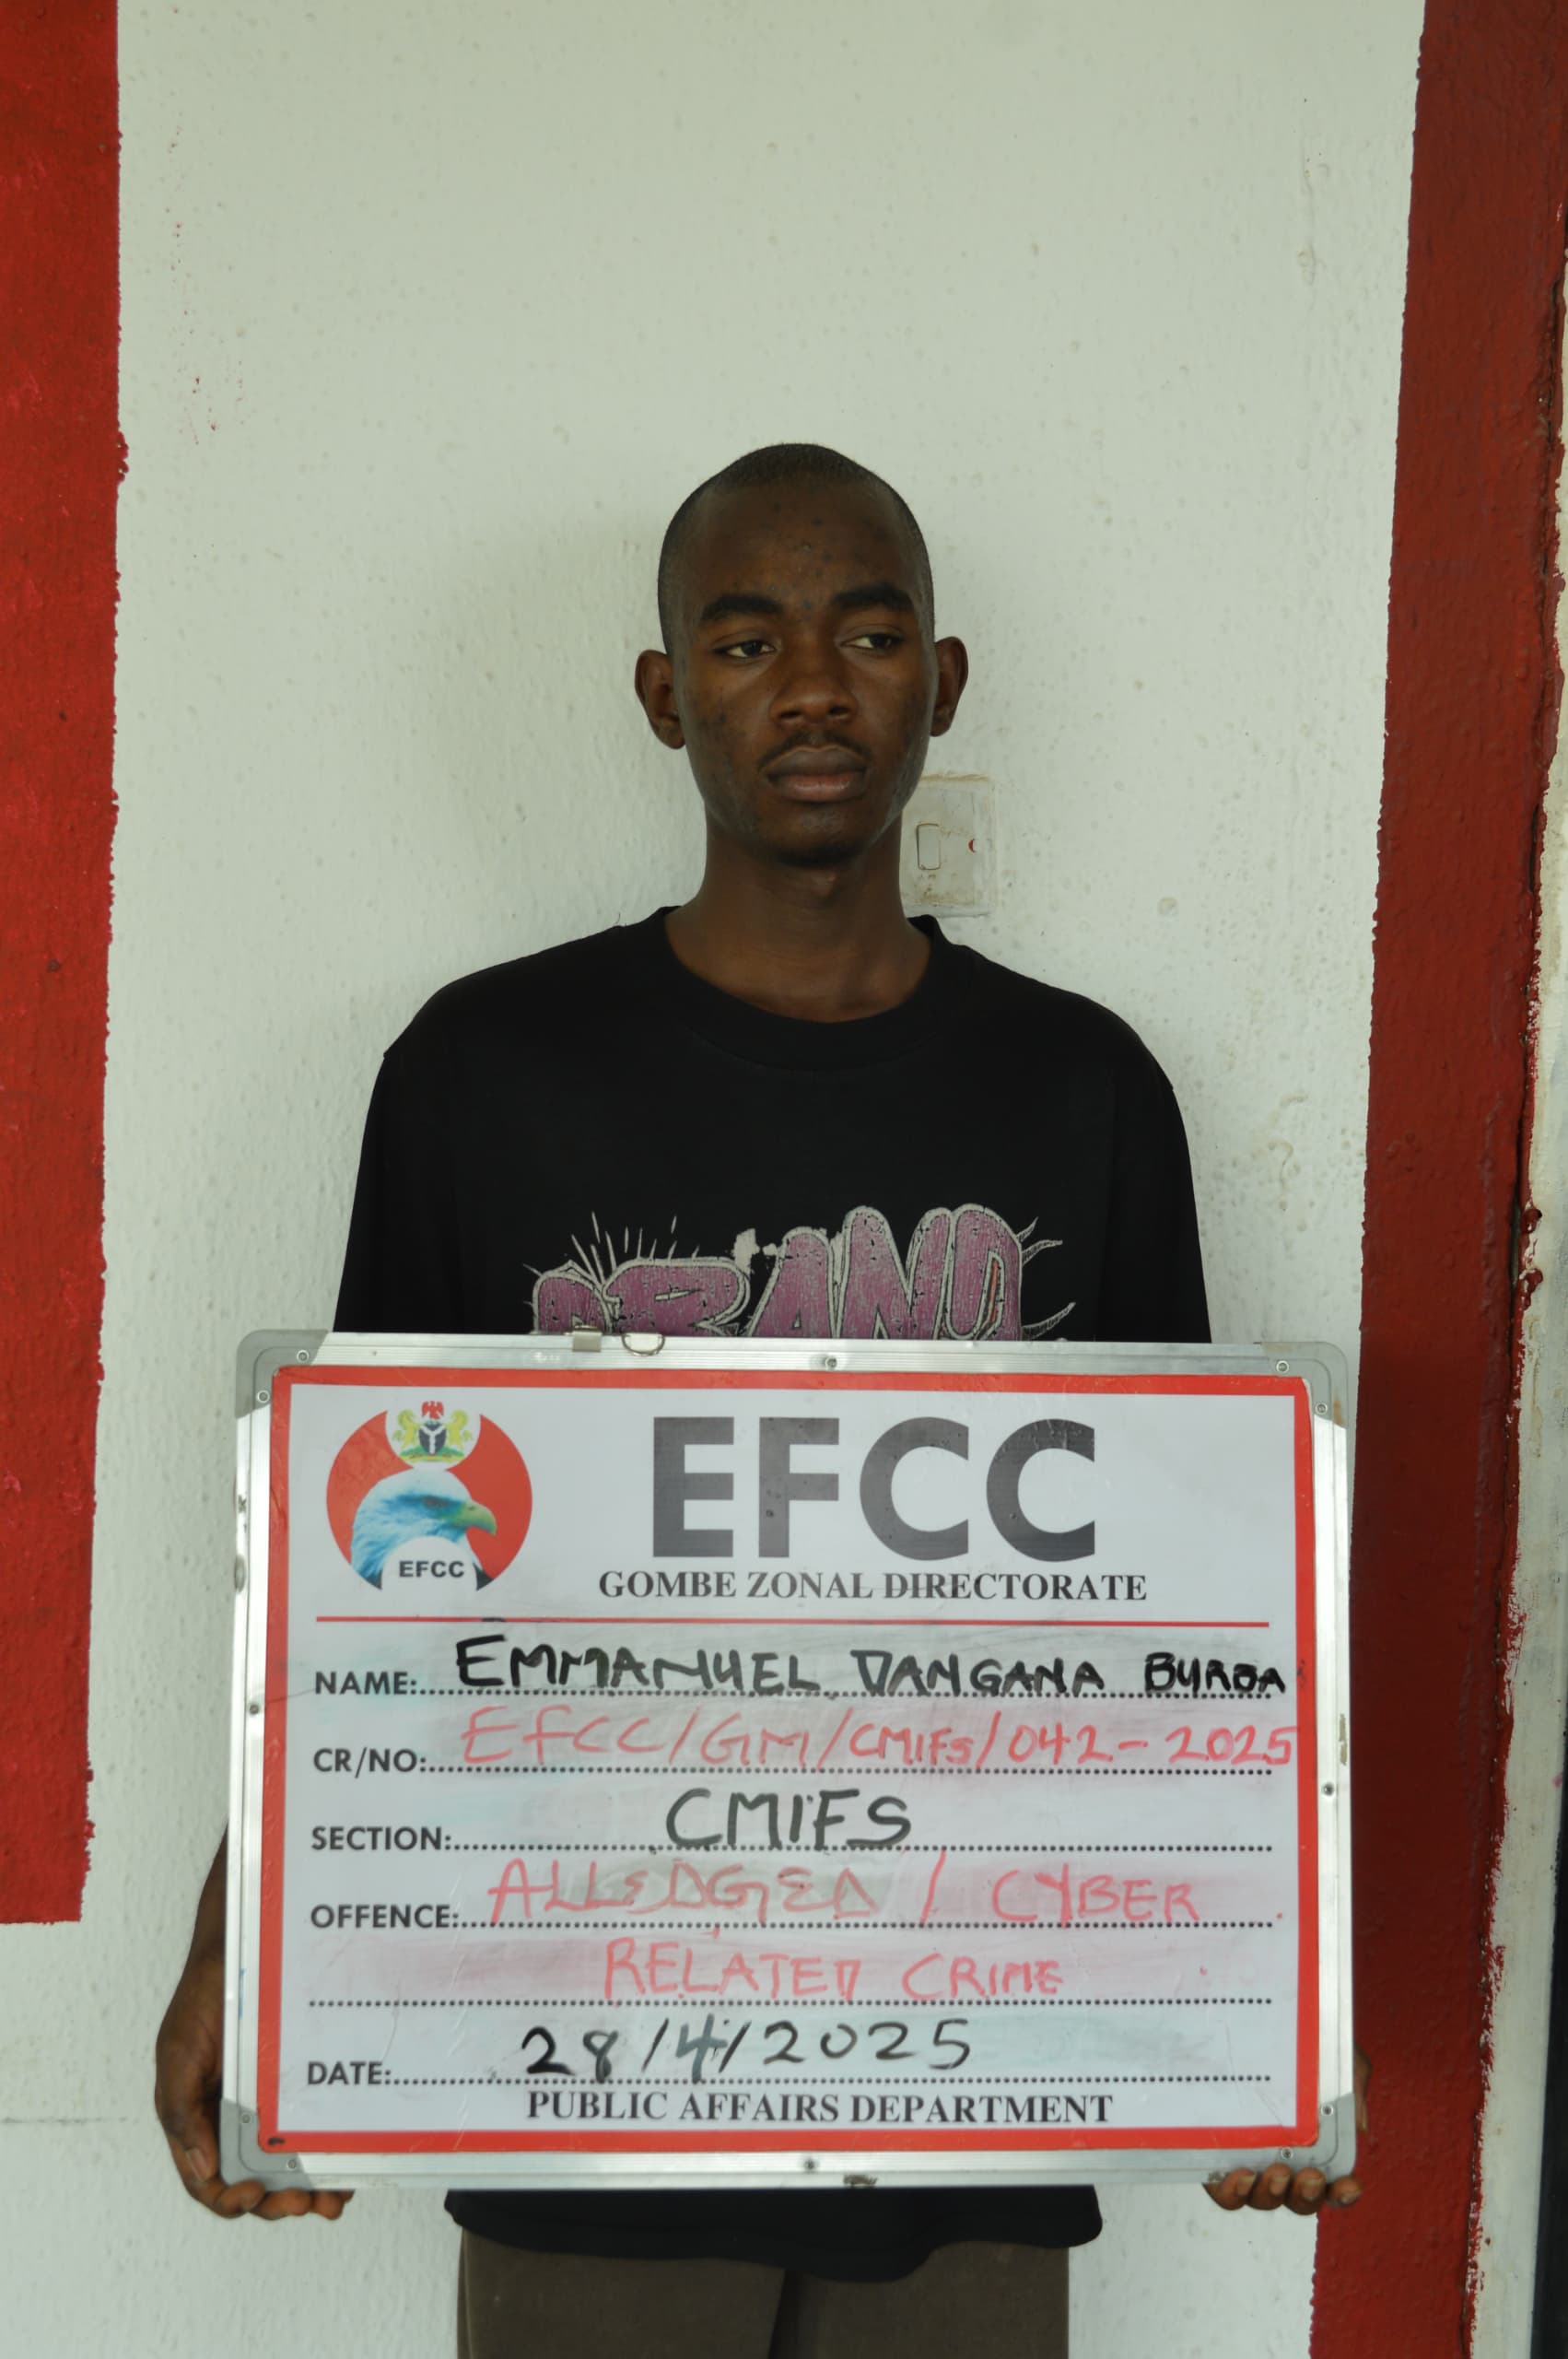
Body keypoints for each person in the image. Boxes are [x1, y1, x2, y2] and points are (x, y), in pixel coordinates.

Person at [156, 444, 1363, 2355]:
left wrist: (1259, 2008)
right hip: (581, 2065)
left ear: (939, 682)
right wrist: (245, 1934)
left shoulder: (1084, 1091)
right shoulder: (483, 1074)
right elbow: (353, 1584)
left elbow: (1187, 1643)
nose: (811, 687)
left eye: (867, 636)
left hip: (975, 2076)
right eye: (743, 642)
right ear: (664, 696)